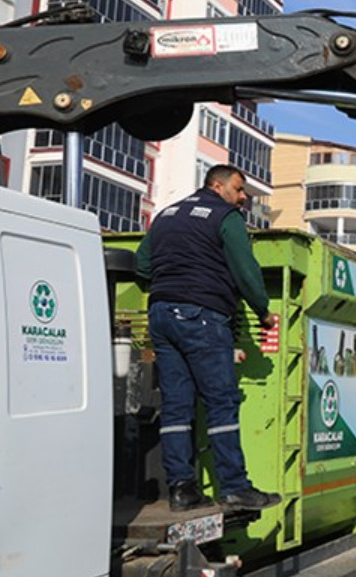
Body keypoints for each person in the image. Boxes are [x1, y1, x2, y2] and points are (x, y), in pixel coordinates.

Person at [136, 164, 280, 514]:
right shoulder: (224, 216)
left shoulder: (167, 214)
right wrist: (263, 311)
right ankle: (234, 488)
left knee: (176, 406)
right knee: (221, 401)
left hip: (161, 316)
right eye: (239, 189)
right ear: (218, 186)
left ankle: (181, 489)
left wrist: (171, 285)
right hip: (202, 315)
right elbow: (246, 272)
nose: (243, 196)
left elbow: (142, 265)